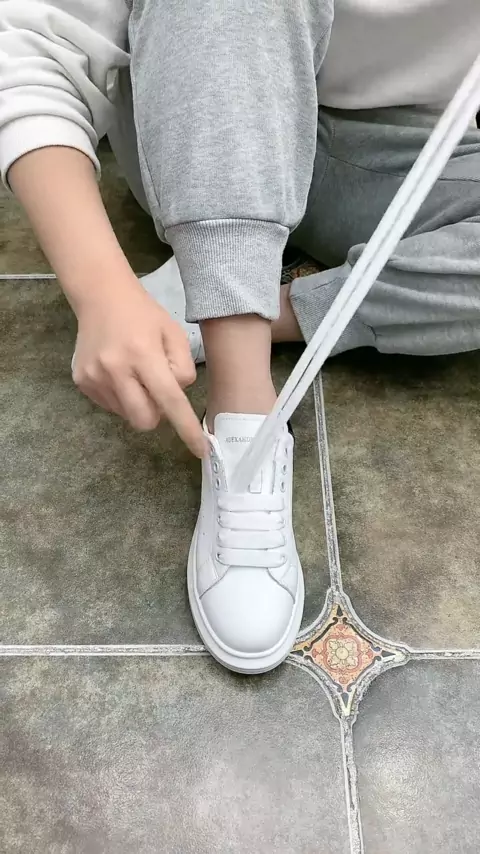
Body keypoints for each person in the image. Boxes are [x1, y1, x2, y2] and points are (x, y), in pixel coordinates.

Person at [2, 1, 480, 674]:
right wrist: (99, 288)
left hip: (403, 148)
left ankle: (232, 303)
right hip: (206, 109)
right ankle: (242, 408)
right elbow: (33, 40)